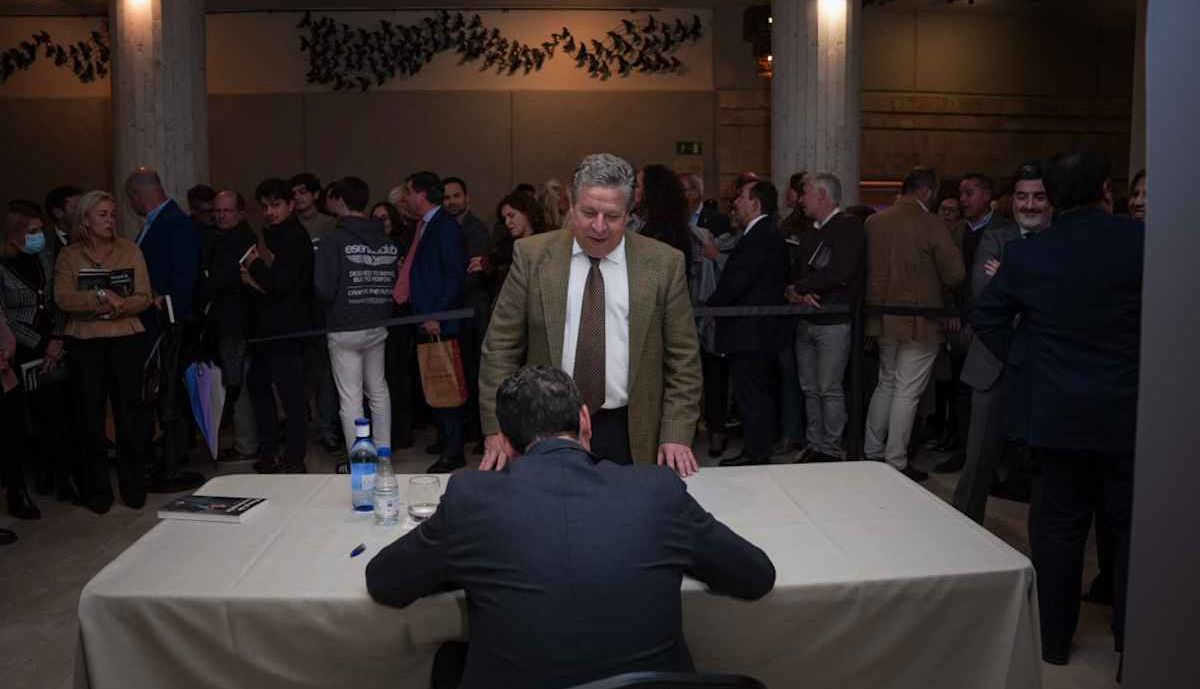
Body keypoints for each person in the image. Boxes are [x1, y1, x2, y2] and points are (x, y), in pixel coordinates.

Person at [366, 365, 775, 689]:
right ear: (585, 420)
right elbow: (755, 575)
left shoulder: (473, 498)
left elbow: (386, 582)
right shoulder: (656, 490)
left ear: (505, 444)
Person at [972, 151, 1142, 667]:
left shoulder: (1030, 255)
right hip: (1130, 413)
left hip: (1055, 415)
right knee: (1131, 531)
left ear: (1053, 198)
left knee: (1056, 532)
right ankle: (1131, 646)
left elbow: (989, 316)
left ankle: (1052, 641)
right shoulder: (1144, 242)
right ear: (1106, 191)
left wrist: (1026, 364)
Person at [479, 153, 702, 476]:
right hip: (546, 428)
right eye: (588, 213)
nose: (598, 227)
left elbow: (683, 359)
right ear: (571, 204)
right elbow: (500, 347)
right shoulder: (533, 257)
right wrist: (496, 426)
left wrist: (676, 433)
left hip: (630, 429)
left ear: (629, 213)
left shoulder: (664, 264)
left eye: (611, 216)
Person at [951, 160, 1050, 524]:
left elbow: (1055, 303)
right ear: (1011, 200)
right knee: (977, 461)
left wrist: (1007, 277)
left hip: (1042, 366)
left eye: (1038, 197)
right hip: (991, 360)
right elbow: (983, 294)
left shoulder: (1058, 238)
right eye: (1023, 196)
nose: (1029, 205)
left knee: (1043, 468)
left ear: (1050, 200)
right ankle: (964, 532)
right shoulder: (996, 237)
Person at [54, 190, 154, 514]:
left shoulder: (130, 250)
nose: (110, 220)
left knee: (130, 415)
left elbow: (144, 296)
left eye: (113, 214)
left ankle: (134, 486)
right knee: (89, 417)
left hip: (125, 337)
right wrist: (99, 299)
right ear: (85, 219)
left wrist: (120, 304)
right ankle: (97, 492)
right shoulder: (69, 255)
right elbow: (63, 298)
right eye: (103, 215)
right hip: (84, 342)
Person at [863, 167, 965, 481]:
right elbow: (955, 274)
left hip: (882, 316)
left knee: (886, 382)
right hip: (920, 321)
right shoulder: (931, 223)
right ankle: (895, 460)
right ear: (927, 191)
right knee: (907, 391)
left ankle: (872, 450)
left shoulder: (874, 221)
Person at [124, 167, 205, 493]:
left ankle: (174, 458)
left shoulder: (176, 223)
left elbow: (184, 277)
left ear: (137, 197)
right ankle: (169, 455)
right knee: (163, 395)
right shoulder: (157, 222)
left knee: (169, 394)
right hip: (154, 322)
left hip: (168, 324)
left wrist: (172, 316)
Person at [707, 179, 790, 467]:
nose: (735, 204)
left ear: (754, 203)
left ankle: (756, 452)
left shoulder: (761, 236)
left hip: (751, 332)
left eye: (740, 198)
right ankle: (756, 450)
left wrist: (710, 305)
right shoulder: (761, 234)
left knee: (752, 393)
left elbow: (737, 282)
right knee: (753, 392)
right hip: (754, 331)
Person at [785, 172, 866, 462]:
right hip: (807, 318)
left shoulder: (848, 227)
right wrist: (795, 291)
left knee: (828, 388)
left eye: (805, 193)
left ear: (822, 196)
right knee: (809, 388)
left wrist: (802, 287)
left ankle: (831, 449)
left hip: (834, 322)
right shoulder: (810, 231)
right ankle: (815, 443)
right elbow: (798, 273)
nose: (800, 199)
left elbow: (840, 271)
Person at [316, 176, 399, 453]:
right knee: (378, 390)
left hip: (344, 325)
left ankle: (361, 460)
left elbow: (324, 288)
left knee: (350, 397)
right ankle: (384, 452)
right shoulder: (387, 240)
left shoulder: (333, 240)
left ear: (339, 199)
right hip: (379, 322)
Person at [393, 171, 468, 473]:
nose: (406, 199)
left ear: (422, 195)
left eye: (409, 192)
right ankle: (444, 439)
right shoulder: (424, 225)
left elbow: (454, 275)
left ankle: (454, 450)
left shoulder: (444, 227)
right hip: (425, 317)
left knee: (446, 383)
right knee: (432, 380)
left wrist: (437, 313)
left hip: (440, 319)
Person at [1, 201, 72, 507]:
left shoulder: (45, 257)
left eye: (40, 230)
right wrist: (41, 344)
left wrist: (55, 339)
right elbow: (5, 317)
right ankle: (19, 489)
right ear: (14, 235)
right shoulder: (2, 266)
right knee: (18, 424)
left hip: (55, 346)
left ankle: (61, 477)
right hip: (17, 351)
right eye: (32, 232)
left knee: (57, 416)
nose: (39, 236)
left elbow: (58, 299)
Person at [243, 178, 314, 474]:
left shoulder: (293, 236)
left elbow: (279, 284)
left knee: (292, 394)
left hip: (289, 327)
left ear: (290, 205)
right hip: (267, 327)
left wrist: (254, 265)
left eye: (275, 205)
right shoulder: (273, 234)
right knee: (259, 387)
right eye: (264, 207)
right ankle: (270, 451)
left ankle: (294, 457)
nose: (269, 212)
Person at [197, 191, 259, 462]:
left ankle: (247, 443)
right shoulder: (218, 237)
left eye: (227, 211)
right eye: (217, 211)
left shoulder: (242, 240)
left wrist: (204, 286)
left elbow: (222, 280)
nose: (221, 216)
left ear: (241, 213)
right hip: (227, 321)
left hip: (238, 322)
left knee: (238, 385)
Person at [290, 172, 341, 454]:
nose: (298, 197)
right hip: (296, 307)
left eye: (303, 191)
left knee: (326, 373)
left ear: (315, 194)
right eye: (294, 193)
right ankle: (301, 425)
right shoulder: (285, 224)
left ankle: (327, 428)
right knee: (301, 372)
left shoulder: (330, 225)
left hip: (324, 307)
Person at [444, 176, 494, 449]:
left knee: (476, 372)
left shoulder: (475, 228)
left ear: (467, 197)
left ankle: (479, 432)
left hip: (473, 310)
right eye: (447, 197)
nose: (451, 202)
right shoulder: (444, 227)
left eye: (456, 196)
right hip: (458, 310)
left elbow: (473, 273)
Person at [1, 304, 35, 538]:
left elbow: (3, 329)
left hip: (4, 377)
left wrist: (5, 352)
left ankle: (16, 492)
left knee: (12, 437)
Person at [635, 164, 694, 278]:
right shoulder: (656, 224)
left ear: (649, 192)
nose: (631, 190)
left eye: (637, 186)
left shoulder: (664, 233)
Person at [487, 191, 547, 293]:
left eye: (511, 216)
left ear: (527, 213)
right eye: (504, 218)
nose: (507, 222)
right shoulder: (504, 247)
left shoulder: (545, 242)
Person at [44, 185, 82, 260]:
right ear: (58, 213)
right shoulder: (44, 242)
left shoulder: (92, 237)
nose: (83, 211)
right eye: (76, 207)